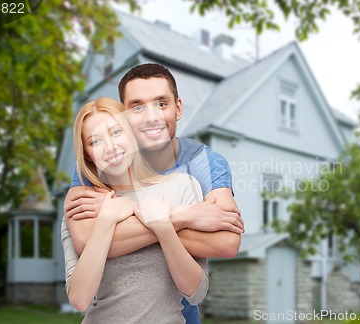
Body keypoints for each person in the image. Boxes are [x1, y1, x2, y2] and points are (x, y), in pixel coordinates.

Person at [62, 63, 244, 323]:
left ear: (177, 108)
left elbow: (225, 242)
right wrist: (181, 216)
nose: (150, 117)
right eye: (137, 107)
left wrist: (135, 224)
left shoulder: (202, 165)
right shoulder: (94, 168)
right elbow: (83, 241)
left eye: (161, 104)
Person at [67, 97, 209, 323]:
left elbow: (196, 293)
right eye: (95, 142)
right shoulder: (85, 204)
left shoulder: (181, 186)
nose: (111, 147)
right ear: (87, 154)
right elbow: (79, 299)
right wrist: (106, 219)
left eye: (116, 132)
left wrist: (164, 227)